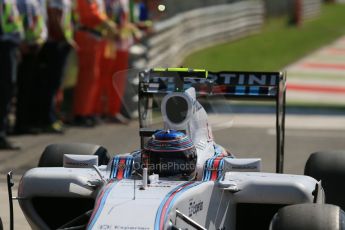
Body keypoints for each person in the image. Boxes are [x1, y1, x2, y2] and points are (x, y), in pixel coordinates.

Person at [72, 0, 117, 126]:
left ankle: (87, 111)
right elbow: (89, 14)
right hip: (86, 36)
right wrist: (106, 22)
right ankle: (81, 113)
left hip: (94, 37)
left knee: (92, 77)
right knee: (87, 77)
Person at [33, 0, 74, 133]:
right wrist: (63, 38)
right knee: (50, 84)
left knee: (55, 84)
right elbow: (53, 16)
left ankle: (51, 117)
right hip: (55, 43)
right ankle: (47, 120)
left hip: (60, 41)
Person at [15, 0, 47, 134]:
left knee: (29, 86)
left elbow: (40, 21)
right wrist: (20, 43)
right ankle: (20, 124)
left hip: (34, 46)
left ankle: (25, 122)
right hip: (21, 46)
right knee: (18, 87)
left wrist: (40, 40)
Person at [0, 0, 23, 149]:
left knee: (7, 89)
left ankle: (2, 132)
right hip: (3, 44)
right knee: (4, 89)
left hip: (10, 44)